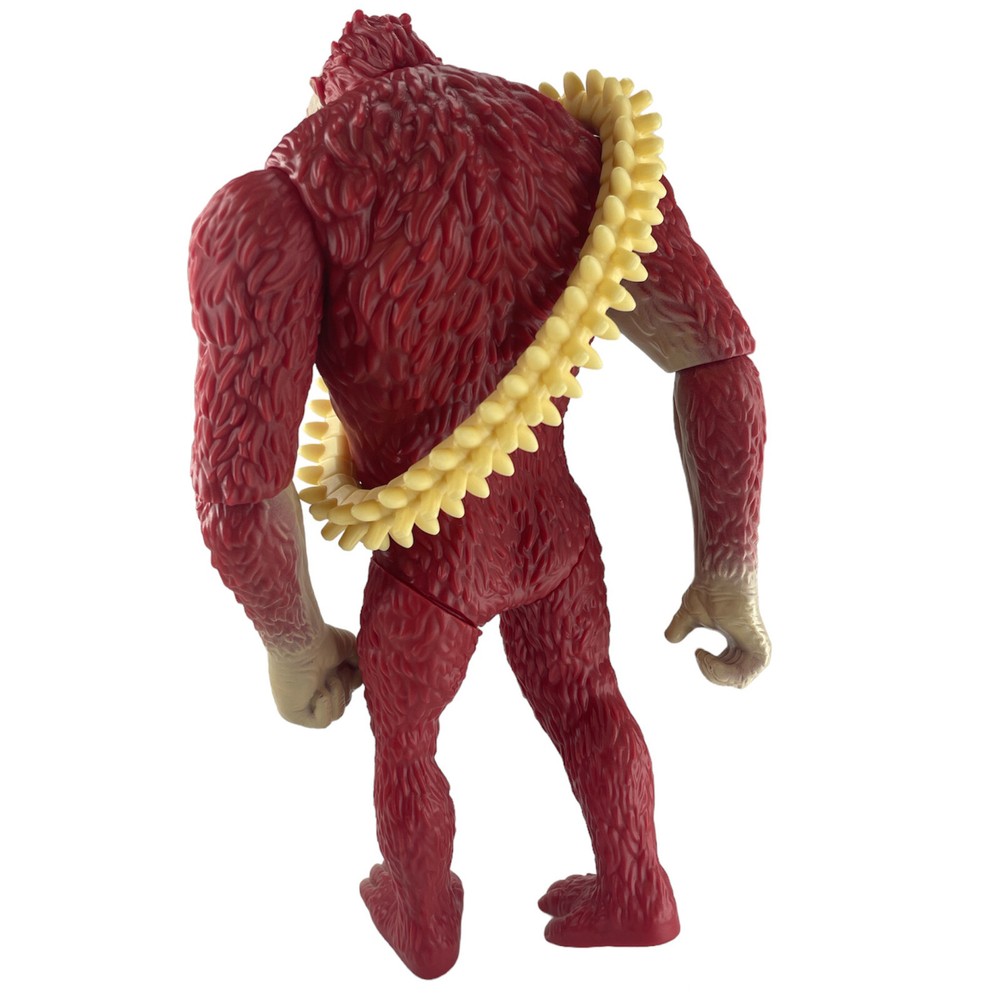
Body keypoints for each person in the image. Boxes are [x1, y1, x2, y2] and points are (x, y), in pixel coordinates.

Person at [189, 11, 770, 980]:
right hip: (554, 531)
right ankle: (636, 889)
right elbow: (717, 357)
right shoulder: (574, 146)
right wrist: (729, 568)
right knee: (590, 700)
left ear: (328, 93)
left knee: (406, 744)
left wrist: (295, 643)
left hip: (431, 561)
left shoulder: (279, 198)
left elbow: (239, 488)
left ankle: (421, 916)